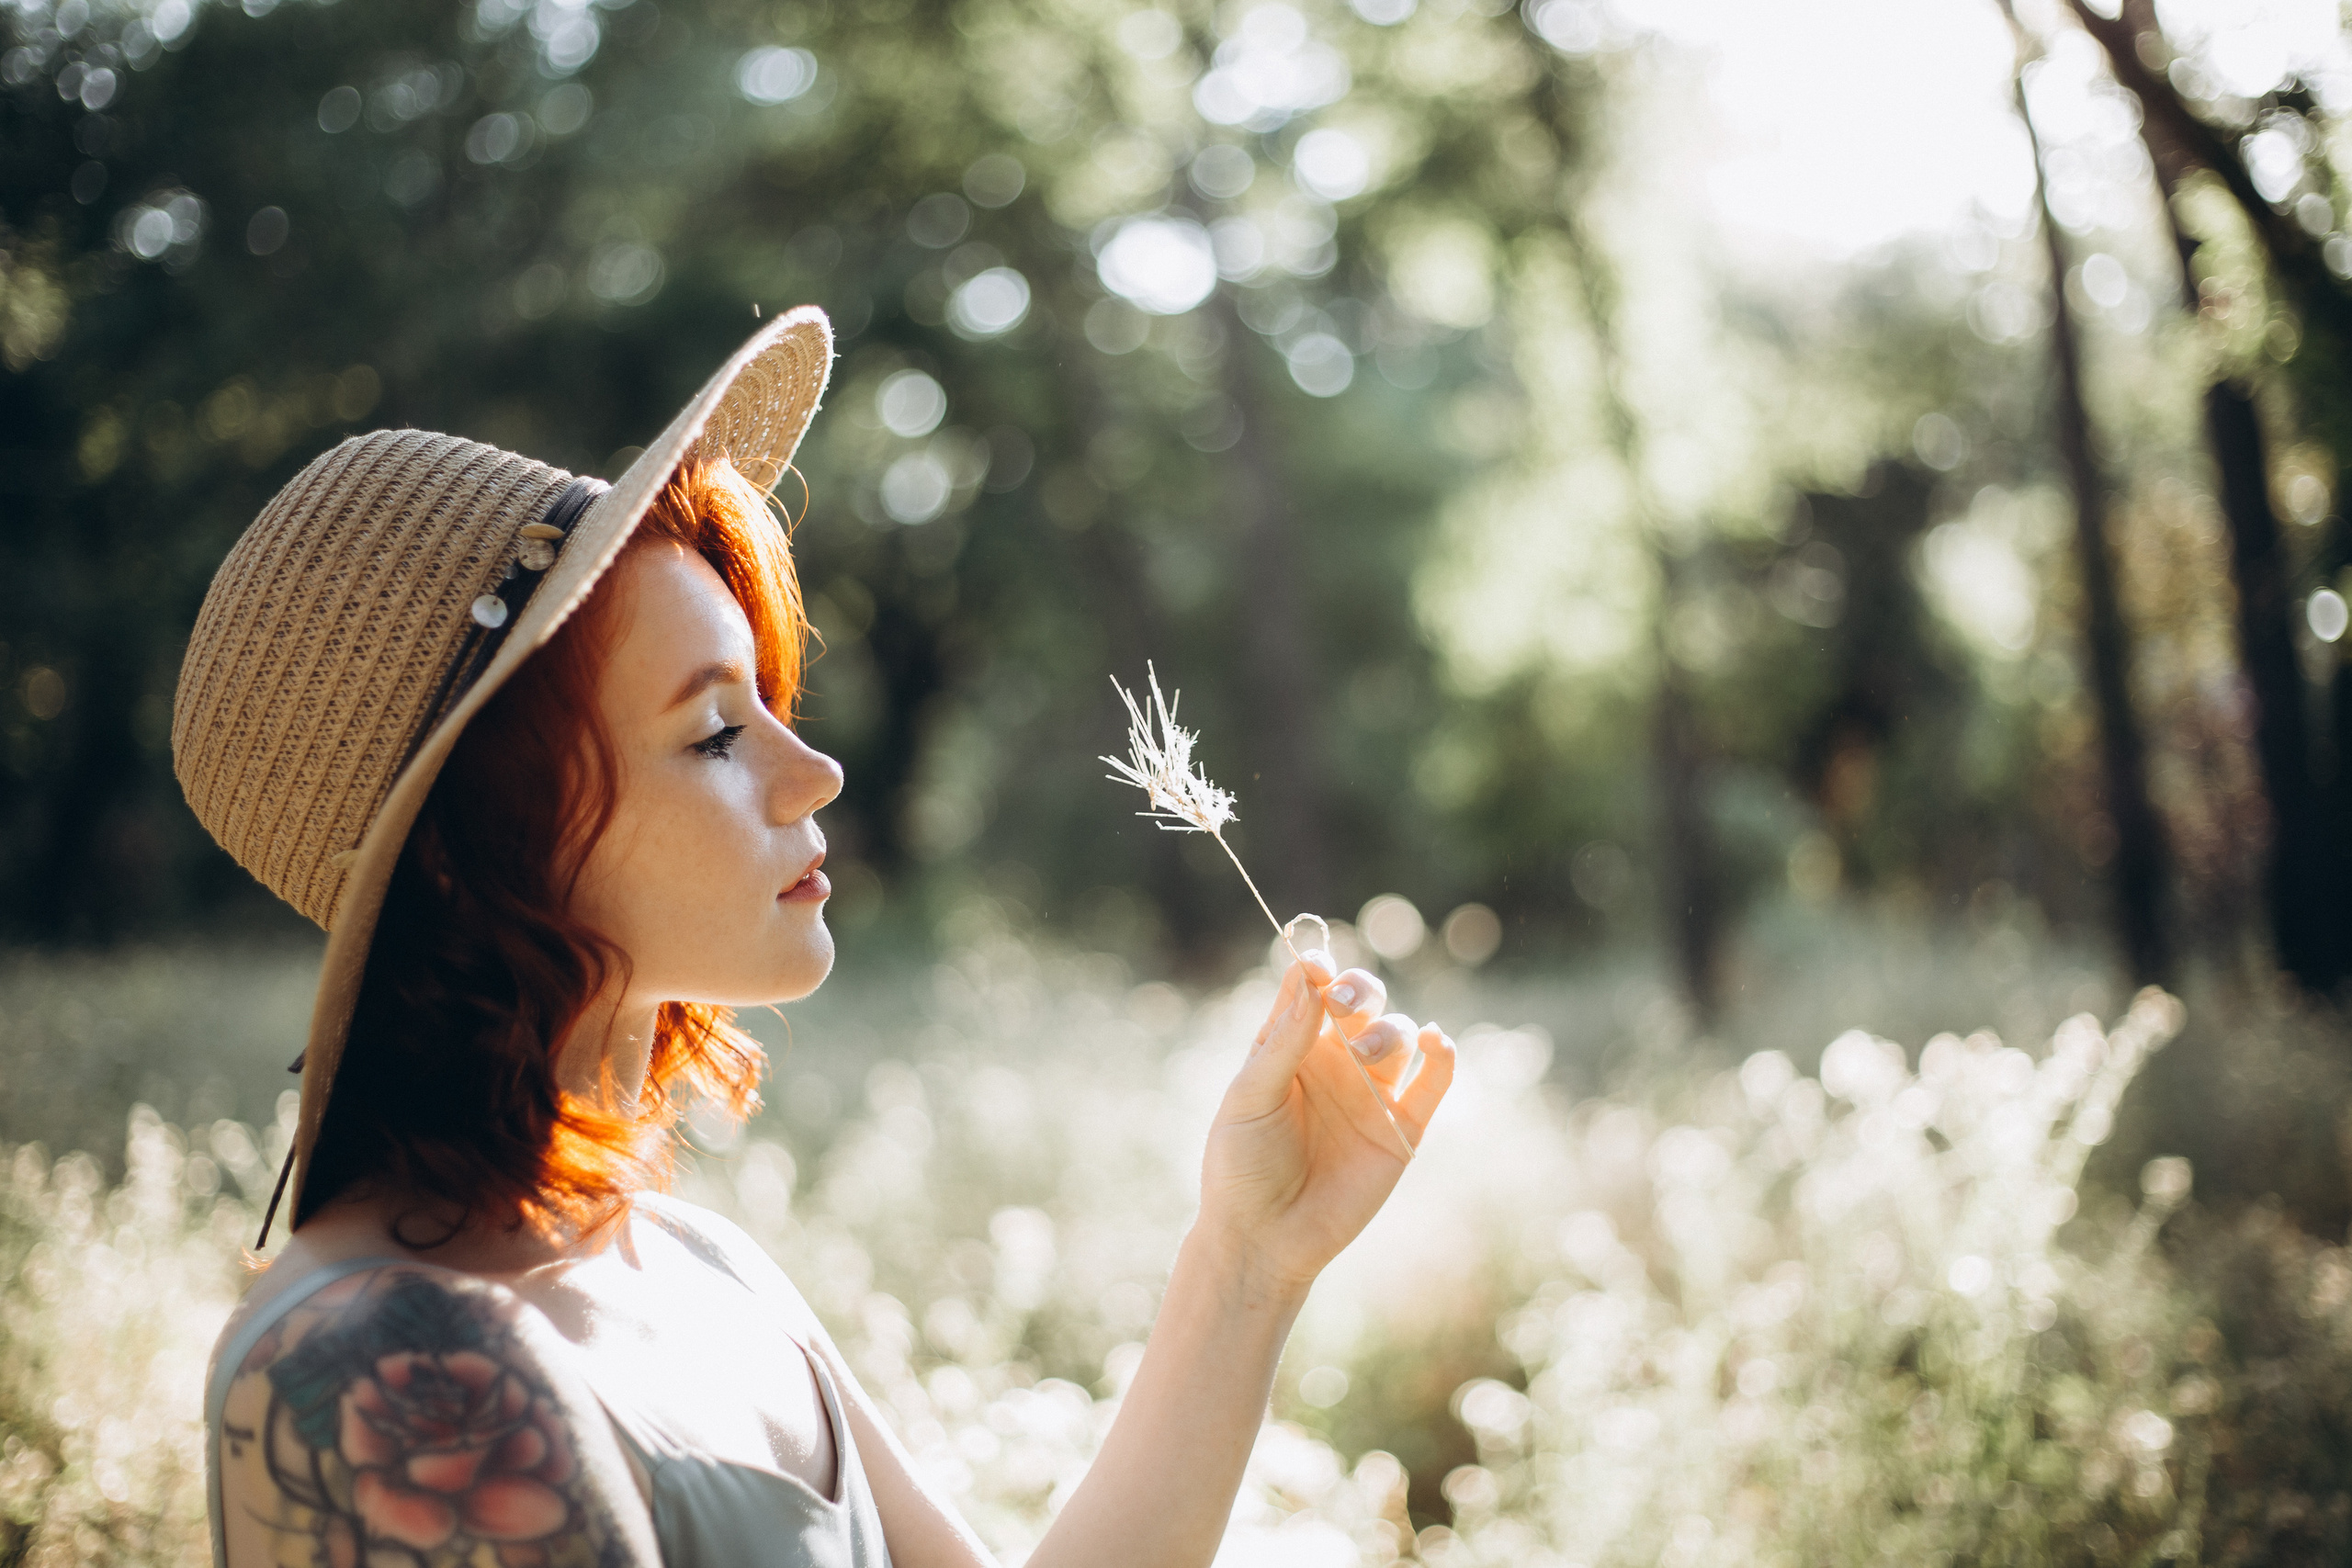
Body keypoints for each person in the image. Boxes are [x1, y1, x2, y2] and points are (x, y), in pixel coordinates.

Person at [180, 309, 1457, 1568]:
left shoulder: (697, 1266)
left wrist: (1249, 1261)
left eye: (768, 703)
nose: (818, 772)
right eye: (715, 734)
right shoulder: (383, 1379)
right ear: (470, 853)